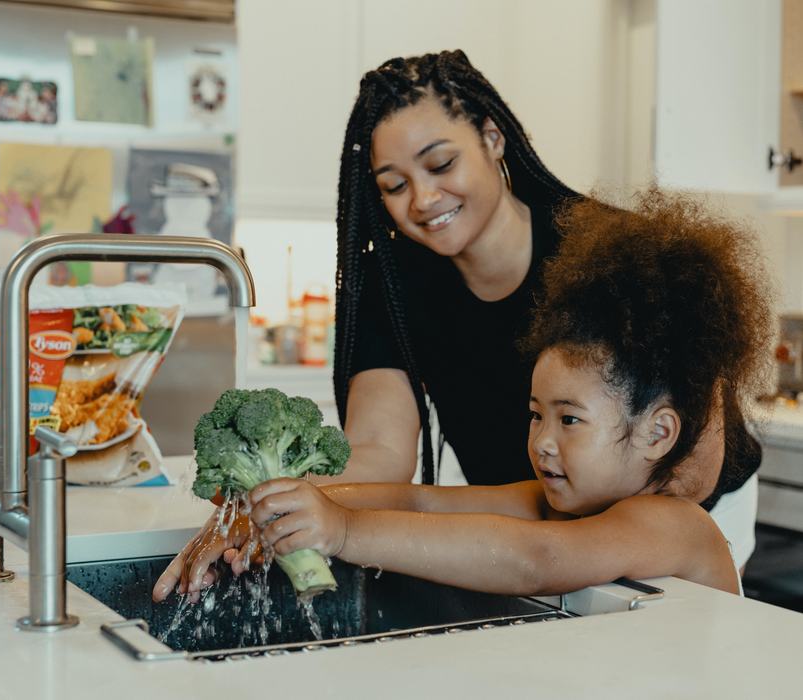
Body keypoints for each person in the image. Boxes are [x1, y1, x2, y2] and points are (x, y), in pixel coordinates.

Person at [153, 50, 764, 602]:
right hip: (550, 505)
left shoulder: (612, 257)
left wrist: (341, 525)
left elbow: (573, 539)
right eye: (394, 185)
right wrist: (277, 504)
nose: (422, 199)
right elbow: (392, 465)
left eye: (441, 163)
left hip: (664, 505)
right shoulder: (396, 285)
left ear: (493, 139)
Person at [240, 190, 771, 596]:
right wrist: (295, 502)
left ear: (657, 432)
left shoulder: (672, 523)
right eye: (536, 415)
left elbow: (535, 559)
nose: (541, 440)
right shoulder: (565, 505)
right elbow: (424, 501)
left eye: (569, 420)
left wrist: (341, 530)